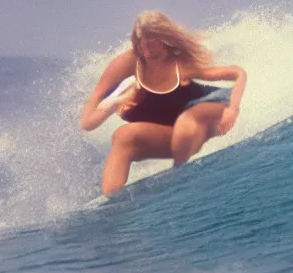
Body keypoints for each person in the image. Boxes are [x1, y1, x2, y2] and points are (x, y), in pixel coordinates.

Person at [80, 11, 248, 195]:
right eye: (145, 50)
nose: (151, 56)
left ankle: (183, 185)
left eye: (157, 52)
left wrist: (234, 109)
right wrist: (112, 106)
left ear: (167, 44)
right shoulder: (127, 68)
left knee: (187, 120)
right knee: (123, 136)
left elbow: (237, 73)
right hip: (171, 131)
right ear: (138, 45)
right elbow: (88, 122)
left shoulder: (181, 63)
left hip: (205, 112)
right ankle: (111, 204)